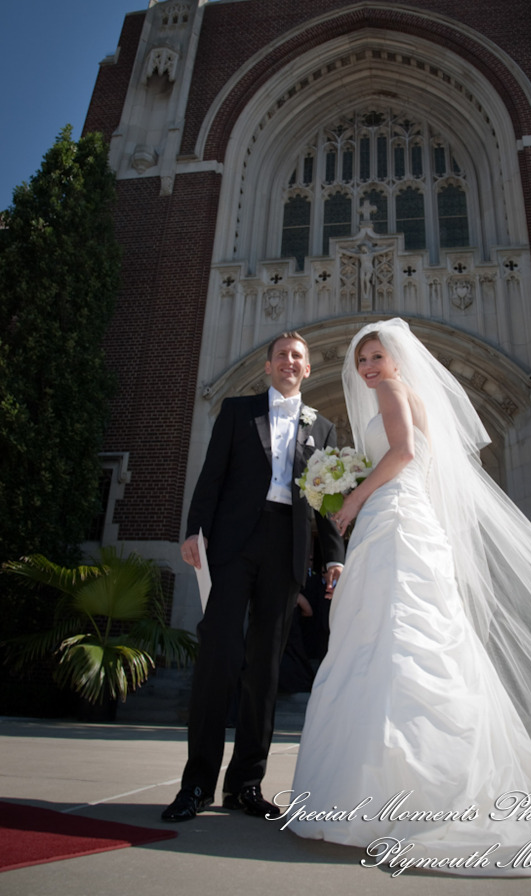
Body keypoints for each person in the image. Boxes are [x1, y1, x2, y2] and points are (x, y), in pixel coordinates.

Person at [281, 318, 531, 876]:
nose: (368, 367)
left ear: (397, 359)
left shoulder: (395, 392)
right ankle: (390, 790)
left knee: (399, 634)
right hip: (391, 518)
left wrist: (351, 500)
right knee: (387, 636)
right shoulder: (396, 394)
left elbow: (399, 455)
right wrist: (351, 487)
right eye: (361, 360)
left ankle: (405, 793)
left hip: (396, 518)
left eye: (376, 356)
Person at [162, 331, 345, 822]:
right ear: (268, 366)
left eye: (298, 357)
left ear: (308, 369)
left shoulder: (324, 428)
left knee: (264, 671)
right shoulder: (237, 412)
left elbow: (326, 503)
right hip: (232, 545)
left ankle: (245, 785)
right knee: (219, 658)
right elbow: (211, 476)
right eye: (282, 355)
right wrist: (194, 531)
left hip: (286, 552)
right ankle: (196, 785)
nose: (289, 362)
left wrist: (333, 557)